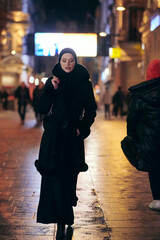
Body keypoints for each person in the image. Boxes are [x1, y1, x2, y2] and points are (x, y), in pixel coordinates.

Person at [35, 48, 97, 239]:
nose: (68, 64)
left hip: (72, 138)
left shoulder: (84, 84)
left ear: (75, 61)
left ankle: (65, 216)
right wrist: (50, 90)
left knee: (69, 180)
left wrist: (82, 128)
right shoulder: (53, 81)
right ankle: (61, 222)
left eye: (71, 60)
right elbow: (42, 108)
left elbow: (91, 110)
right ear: (59, 62)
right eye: (64, 60)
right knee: (55, 180)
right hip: (53, 139)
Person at [126, 59, 160, 211]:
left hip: (149, 141)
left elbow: (132, 119)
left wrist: (132, 137)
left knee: (154, 168)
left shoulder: (139, 94)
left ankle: (158, 199)